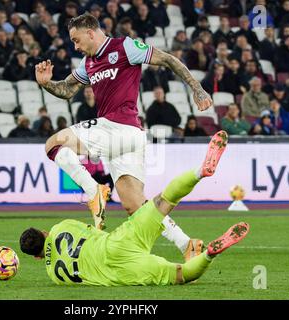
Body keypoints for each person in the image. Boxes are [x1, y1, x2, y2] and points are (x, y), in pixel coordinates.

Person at [36, 13, 213, 233]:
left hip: (118, 128)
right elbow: (67, 89)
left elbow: (167, 59)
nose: (76, 46)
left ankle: (94, 192)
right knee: (136, 207)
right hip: (128, 138)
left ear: (90, 33)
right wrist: (46, 83)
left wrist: (197, 88)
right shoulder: (88, 63)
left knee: (53, 144)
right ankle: (187, 244)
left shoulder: (125, 47)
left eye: (76, 40)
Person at [20, 131, 250, 286]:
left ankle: (209, 254)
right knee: (162, 202)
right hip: (116, 242)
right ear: (44, 232)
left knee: (180, 274)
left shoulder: (55, 276)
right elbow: (96, 232)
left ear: (38, 258)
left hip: (121, 270)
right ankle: (200, 172)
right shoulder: (62, 227)